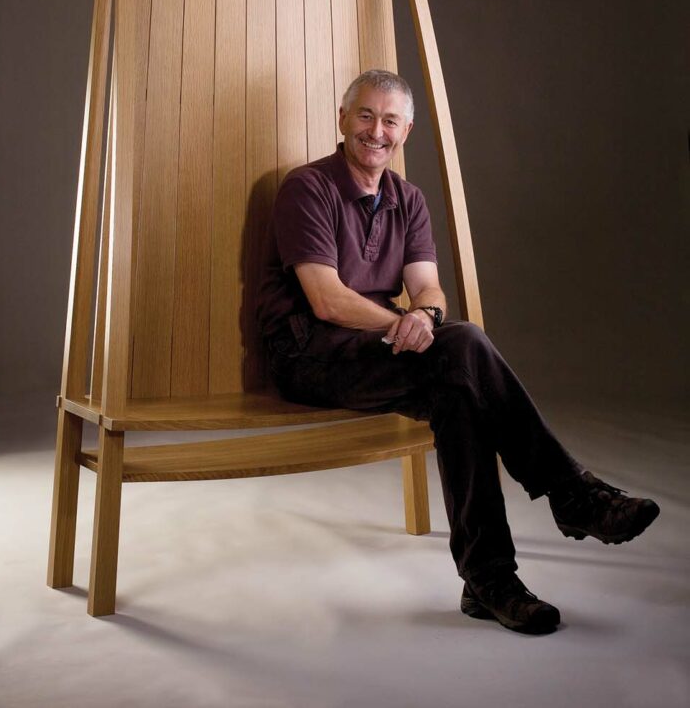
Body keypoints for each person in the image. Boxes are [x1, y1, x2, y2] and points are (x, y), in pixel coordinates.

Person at [256, 69, 660, 635]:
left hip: (377, 351)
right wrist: (411, 327)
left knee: (458, 392)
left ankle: (489, 582)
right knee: (464, 342)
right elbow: (326, 301)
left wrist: (424, 317)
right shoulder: (309, 187)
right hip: (309, 356)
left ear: (407, 130)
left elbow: (429, 289)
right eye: (365, 116)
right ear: (342, 119)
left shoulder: (408, 199)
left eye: (390, 120)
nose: (377, 130)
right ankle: (573, 495)